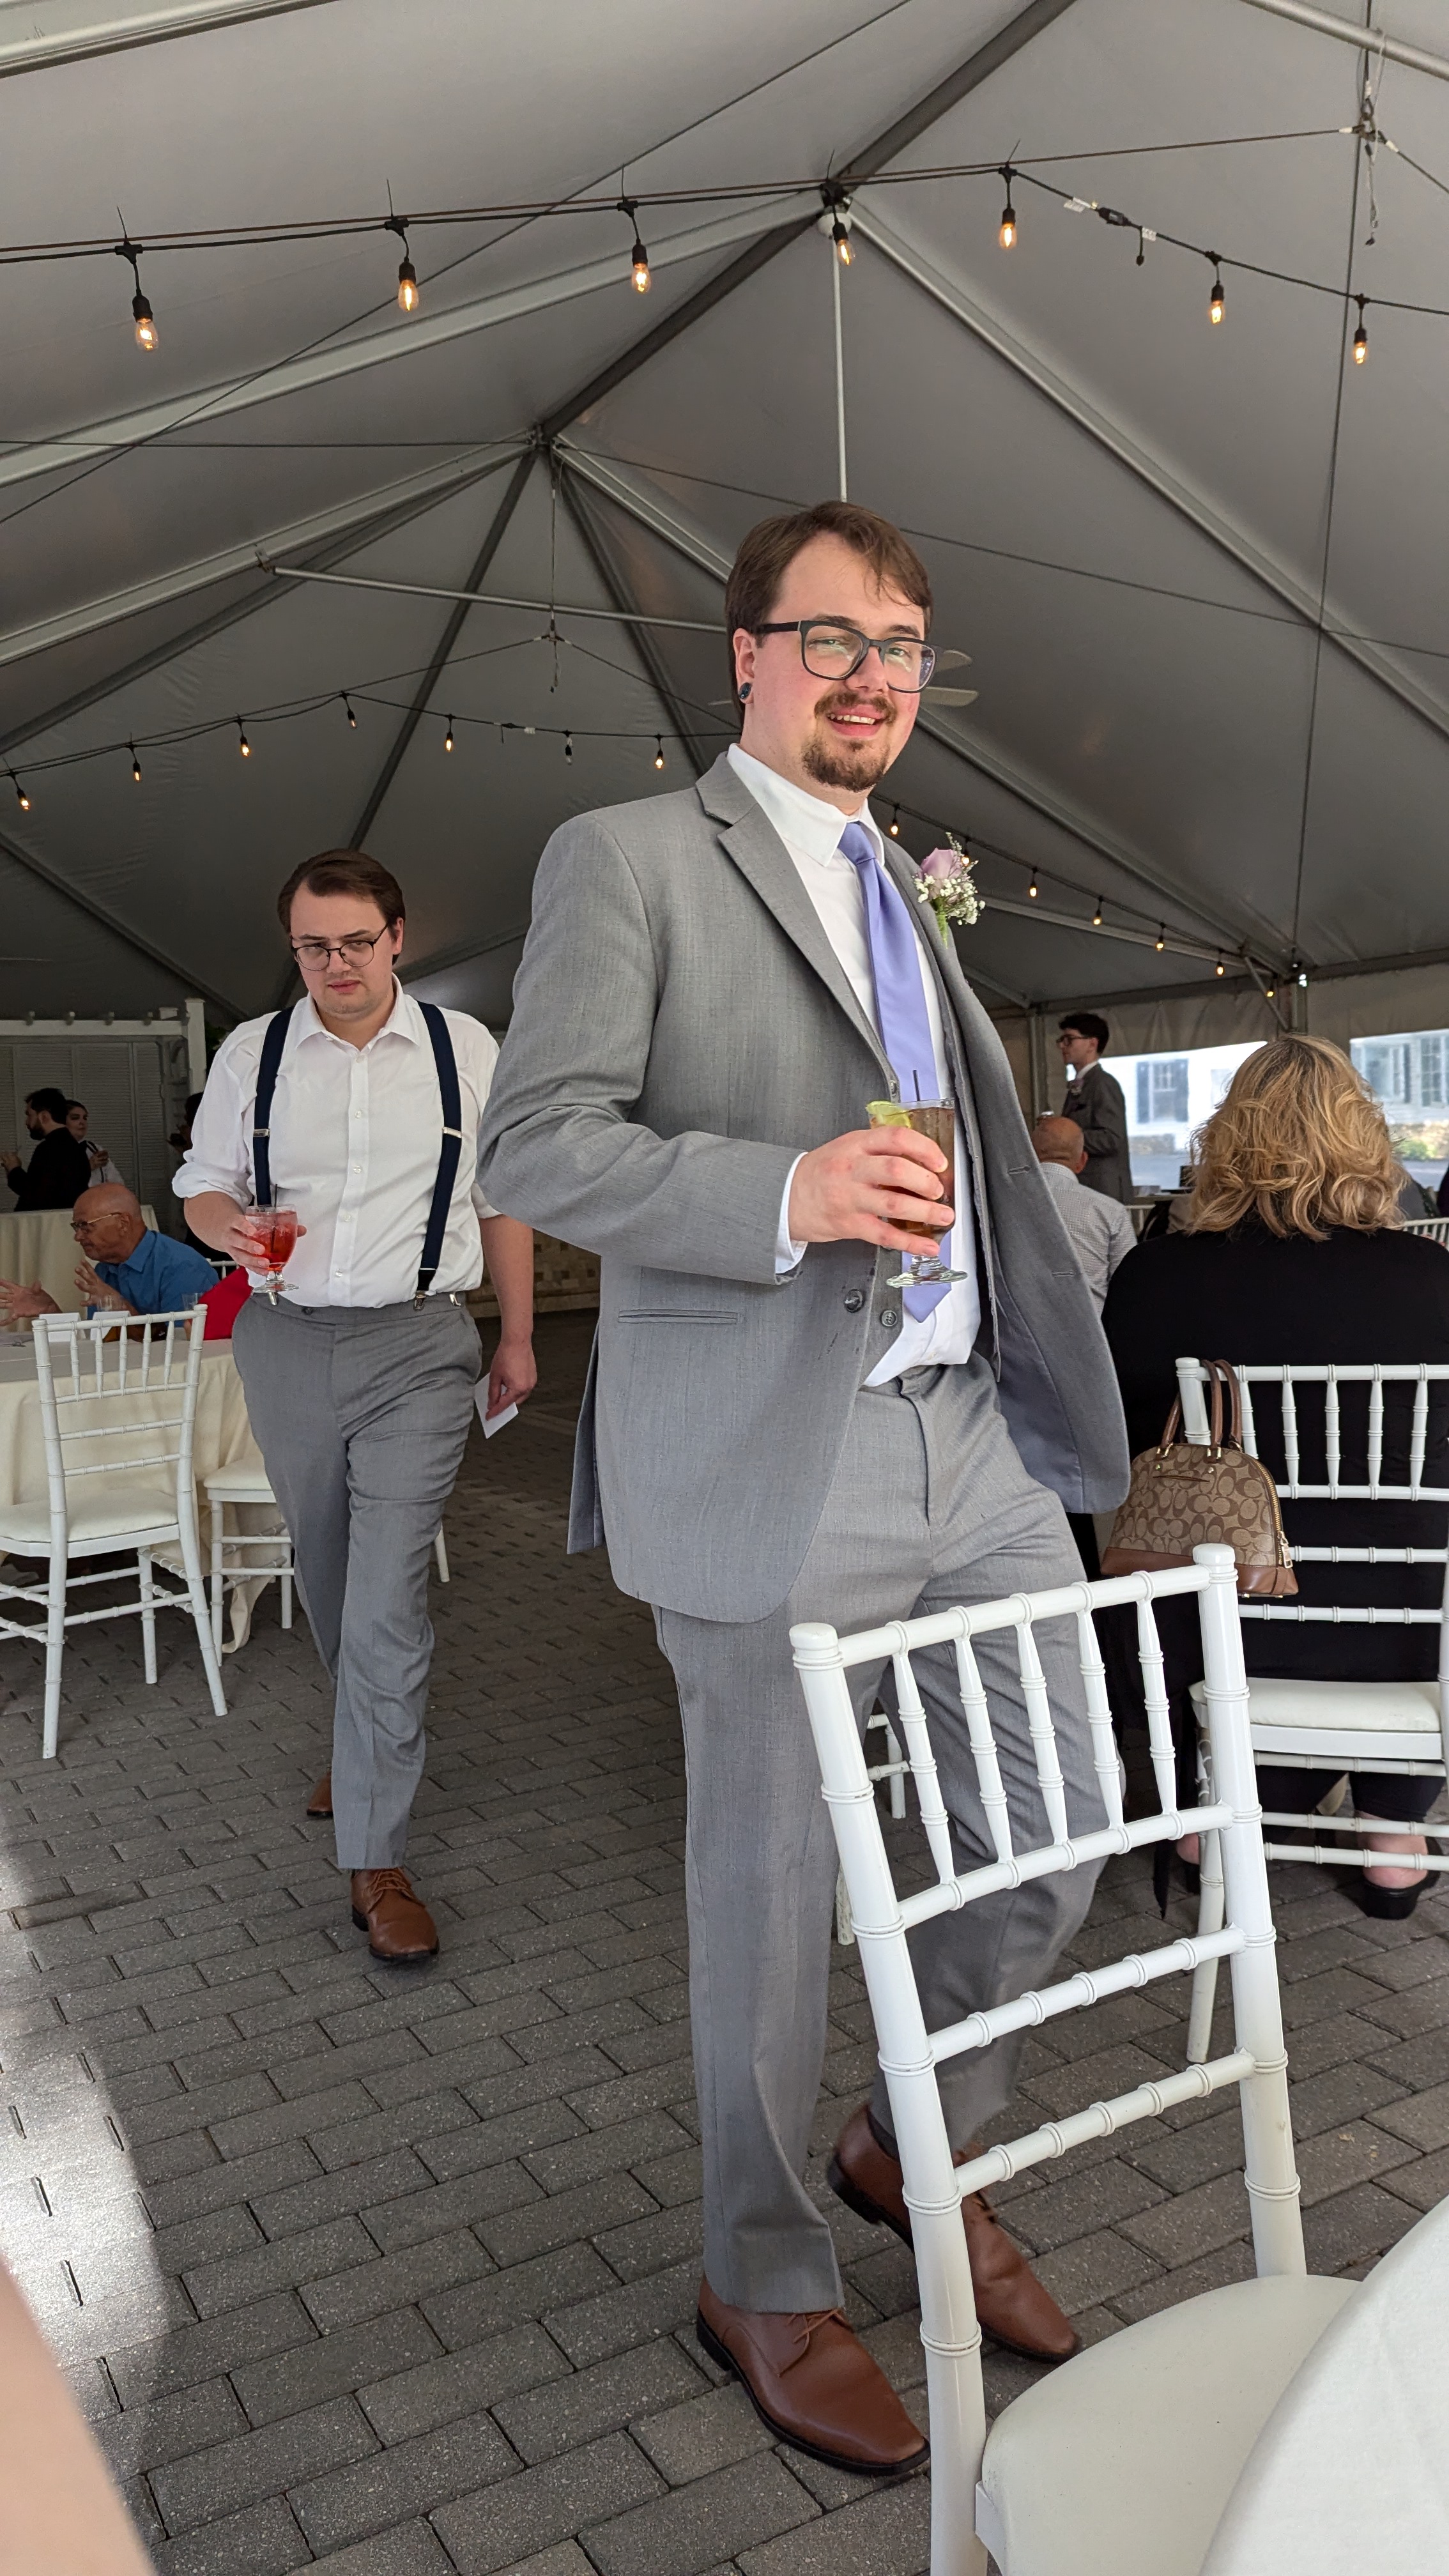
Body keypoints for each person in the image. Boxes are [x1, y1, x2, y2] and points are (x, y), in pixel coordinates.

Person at [479, 499, 1129, 2472]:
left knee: (1065, 1822)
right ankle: (757, 2270)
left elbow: (963, 1161)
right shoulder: (629, 861)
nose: (874, 675)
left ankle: (902, 2144)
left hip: (975, 1437)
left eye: (907, 644)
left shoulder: (917, 888)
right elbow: (536, 1146)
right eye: (832, 638)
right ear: (744, 657)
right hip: (779, 1449)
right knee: (767, 1899)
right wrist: (784, 1194)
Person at [177, 850, 537, 1964]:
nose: (334, 963)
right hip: (283, 1342)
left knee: (384, 1594)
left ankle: (375, 1860)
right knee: (327, 1566)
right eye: (311, 945)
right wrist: (221, 1227)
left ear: (397, 937)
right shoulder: (256, 1050)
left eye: (354, 941)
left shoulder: (461, 1049)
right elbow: (200, 1180)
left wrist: (520, 1334)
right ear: (293, 947)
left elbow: (499, 1198)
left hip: (419, 1348)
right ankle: (361, 1731)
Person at [1103, 1034, 1449, 1921]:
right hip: (1399, 1628)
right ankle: (1392, 1838)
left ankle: (1212, 1823)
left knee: (1176, 1546)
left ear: (1227, 1140)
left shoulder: (1156, 1276)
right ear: (1365, 1139)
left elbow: (1129, 1443)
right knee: (1418, 1559)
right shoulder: (1432, 1278)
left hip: (1228, 1622)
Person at [0, 1185, 216, 1323]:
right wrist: (52, 1312)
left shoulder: (182, 1268)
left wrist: (120, 1306)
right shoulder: (106, 1268)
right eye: (76, 1228)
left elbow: (182, 1349)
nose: (78, 1237)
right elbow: (101, 1343)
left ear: (122, 1222)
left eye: (86, 1227)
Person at [1032, 1114, 1137, 1309]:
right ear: (1082, 1161)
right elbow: (1129, 1285)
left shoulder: (998, 1205)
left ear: (1028, 1154)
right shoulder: (1111, 1211)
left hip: (1013, 1334)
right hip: (1092, 1330)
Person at [1057, 1011, 1131, 1200]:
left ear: (1092, 1043)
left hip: (1102, 1191)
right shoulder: (1084, 1084)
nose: (1062, 1046)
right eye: (1062, 1040)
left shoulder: (1103, 1083)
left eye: (1069, 1039)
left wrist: (1066, 1138)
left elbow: (1112, 1138)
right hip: (1090, 1189)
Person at [1, 1088, 91, 1210]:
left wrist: (14, 1168)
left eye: (29, 1115)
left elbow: (35, 1194)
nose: (27, 1122)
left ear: (44, 1117)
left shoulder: (49, 1149)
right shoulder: (75, 1147)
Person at [65, 1100, 125, 1188]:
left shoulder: (95, 1149)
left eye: (85, 1118)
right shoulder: (52, 1150)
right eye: (75, 1118)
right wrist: (87, 1168)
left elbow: (117, 1183)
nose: (82, 1122)